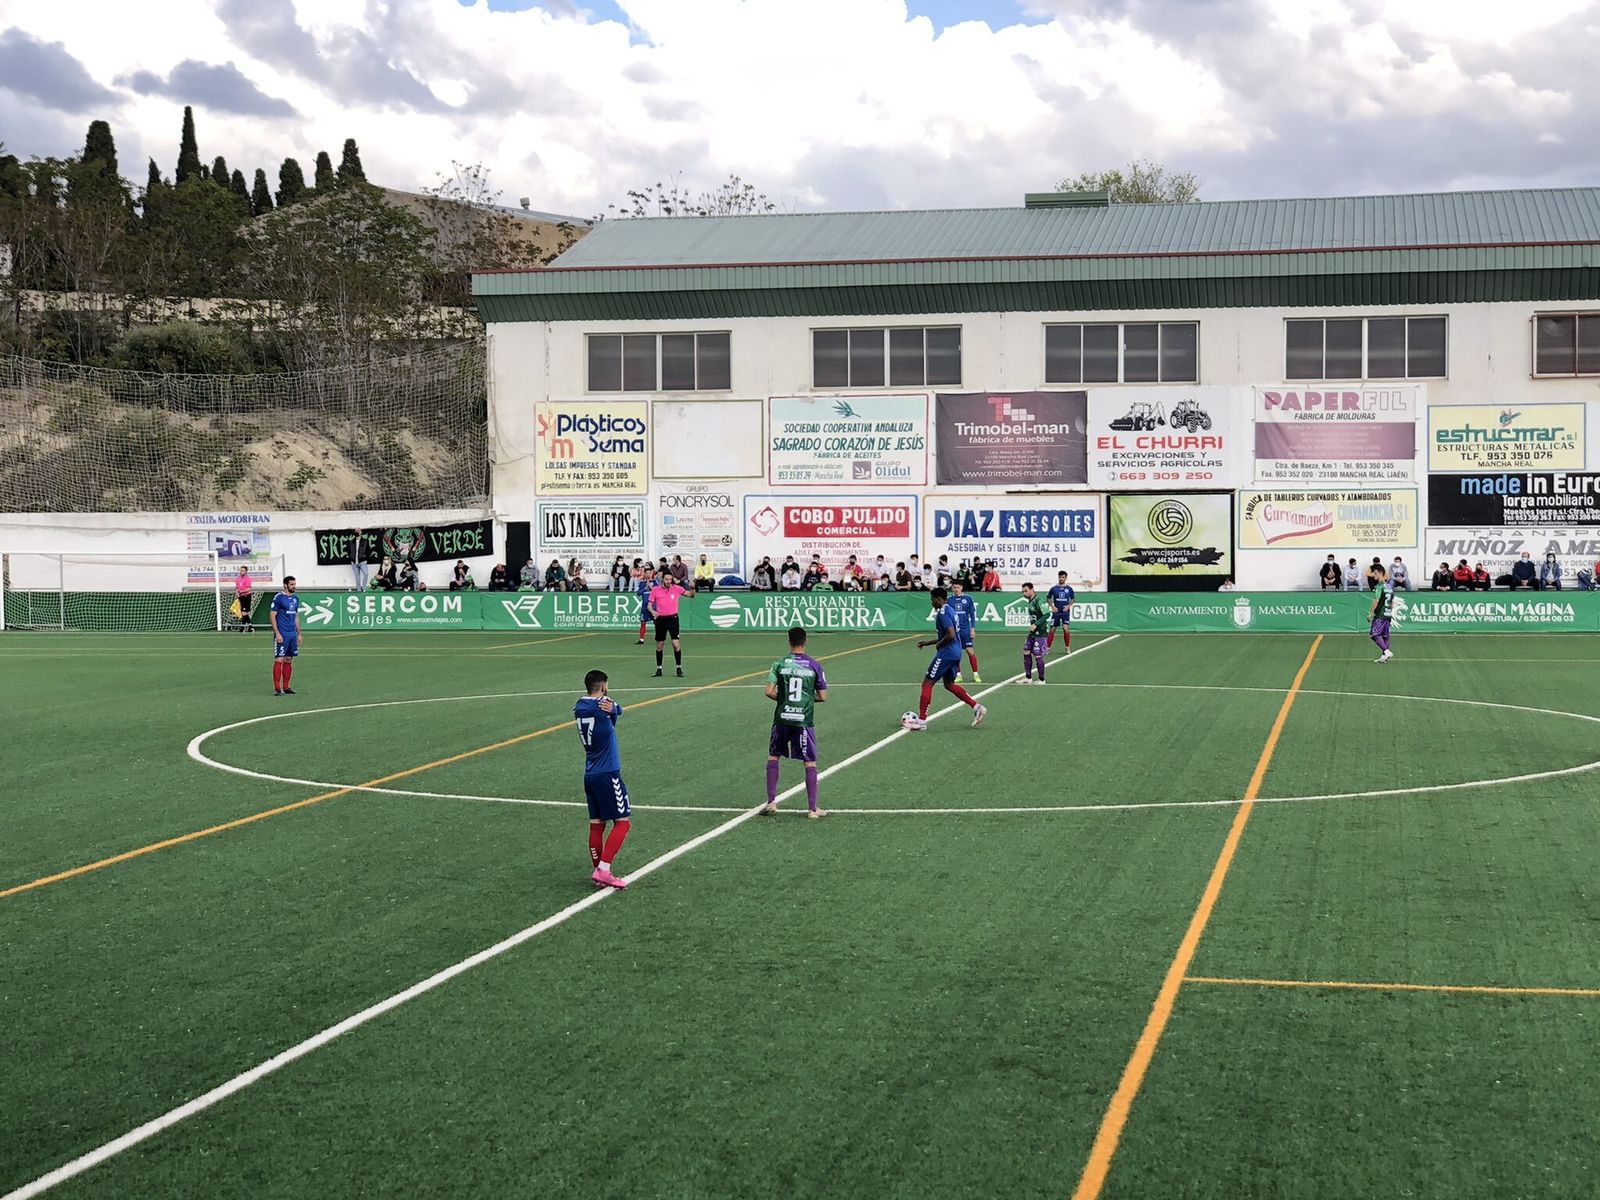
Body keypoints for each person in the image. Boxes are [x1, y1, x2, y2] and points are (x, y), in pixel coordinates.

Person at [761, 625, 828, 819]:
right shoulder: (815, 665)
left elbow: (768, 691)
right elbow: (823, 696)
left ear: (789, 642)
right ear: (805, 641)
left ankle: (771, 802)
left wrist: (784, 700)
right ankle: (812, 809)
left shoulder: (779, 664)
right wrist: (805, 700)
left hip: (782, 718)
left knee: (774, 756)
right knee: (809, 762)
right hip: (803, 720)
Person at [574, 669, 630, 890]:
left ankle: (599, 869)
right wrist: (615, 707)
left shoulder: (580, 706)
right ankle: (604, 869)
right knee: (623, 823)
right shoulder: (602, 705)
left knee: (596, 825)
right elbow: (617, 709)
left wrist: (614, 709)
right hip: (608, 773)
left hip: (590, 774)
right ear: (604, 686)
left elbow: (614, 715)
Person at [904, 588, 985, 731]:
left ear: (938, 599)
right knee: (949, 684)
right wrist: (928, 643)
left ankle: (921, 721)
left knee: (927, 683)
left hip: (946, 654)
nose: (931, 602)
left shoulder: (943, 613)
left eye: (932, 599)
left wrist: (940, 644)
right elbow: (948, 634)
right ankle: (977, 707)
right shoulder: (951, 611)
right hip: (955, 653)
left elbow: (951, 634)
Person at [648, 571, 688, 677]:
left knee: (676, 644)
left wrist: (693, 588)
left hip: (673, 619)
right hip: (660, 619)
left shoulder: (677, 588)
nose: (668, 581)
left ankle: (678, 668)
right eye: (666, 579)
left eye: (670, 579)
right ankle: (659, 669)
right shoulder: (655, 590)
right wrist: (653, 612)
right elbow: (649, 605)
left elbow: (691, 595)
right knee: (660, 645)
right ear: (662, 579)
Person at [271, 575, 301, 696]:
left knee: (289, 659)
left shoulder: (295, 598)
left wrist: (299, 634)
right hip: (282, 633)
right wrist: (277, 633)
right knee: (279, 658)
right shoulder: (278, 598)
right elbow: (272, 615)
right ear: (285, 585)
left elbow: (296, 617)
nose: (294, 586)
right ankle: (277, 688)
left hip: (292, 634)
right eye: (292, 584)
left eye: (294, 584)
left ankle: (286, 686)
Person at [948, 578, 981, 684]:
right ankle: (958, 675)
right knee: (955, 653)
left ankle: (976, 674)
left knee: (970, 651)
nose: (956, 589)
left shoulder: (968, 599)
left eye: (958, 587)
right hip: (954, 631)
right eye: (954, 587)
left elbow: (972, 614)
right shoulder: (949, 600)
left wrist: (973, 628)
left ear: (961, 587)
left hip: (965, 630)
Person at [1020, 582, 1050, 684]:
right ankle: (1028, 678)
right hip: (1032, 633)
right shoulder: (1030, 601)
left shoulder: (1038, 600)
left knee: (1038, 655)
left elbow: (1047, 614)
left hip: (1040, 632)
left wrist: (1036, 624)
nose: (1024, 593)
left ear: (1032, 589)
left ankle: (1042, 679)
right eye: (1023, 591)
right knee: (1026, 651)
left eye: (1026, 591)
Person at [1368, 563, 1395, 664]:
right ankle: (1384, 657)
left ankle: (1386, 651)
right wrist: (1390, 612)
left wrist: (1370, 613)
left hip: (1380, 614)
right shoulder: (1389, 586)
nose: (1373, 575)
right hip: (1388, 614)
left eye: (1375, 573)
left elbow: (1376, 600)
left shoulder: (1379, 586)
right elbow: (1392, 601)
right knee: (1385, 635)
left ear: (1380, 573)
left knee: (1374, 634)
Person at [1046, 570, 1074, 654]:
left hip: (1065, 612)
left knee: (1065, 629)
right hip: (1056, 612)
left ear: (1065, 578)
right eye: (1060, 577)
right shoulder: (1054, 588)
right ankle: (1047, 648)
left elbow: (1073, 599)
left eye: (1063, 577)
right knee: (1052, 629)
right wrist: (1052, 606)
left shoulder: (1069, 589)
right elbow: (1048, 598)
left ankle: (1067, 647)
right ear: (1058, 577)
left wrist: (1068, 606)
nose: (1061, 579)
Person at [633, 564, 655, 645]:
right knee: (643, 623)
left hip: (653, 606)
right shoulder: (642, 583)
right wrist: (645, 588)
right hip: (645, 606)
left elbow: (658, 592)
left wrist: (651, 587)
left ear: (651, 574)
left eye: (649, 573)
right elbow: (638, 593)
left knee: (656, 622)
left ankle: (658, 637)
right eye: (646, 573)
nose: (648, 574)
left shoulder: (655, 582)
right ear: (644, 574)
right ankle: (641, 639)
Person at [234, 566, 254, 633]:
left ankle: (247, 627)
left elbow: (249, 589)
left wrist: (240, 591)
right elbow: (237, 588)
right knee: (243, 613)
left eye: (243, 570)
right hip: (241, 597)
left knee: (244, 612)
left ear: (246, 572)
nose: (241, 572)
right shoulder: (238, 579)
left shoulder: (248, 579)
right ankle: (248, 628)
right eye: (240, 570)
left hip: (246, 596)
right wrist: (237, 592)